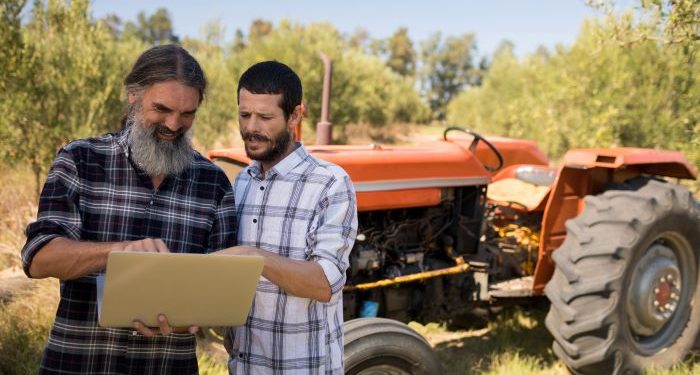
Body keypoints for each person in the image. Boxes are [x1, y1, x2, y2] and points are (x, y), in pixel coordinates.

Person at [21, 44, 237, 374]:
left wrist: (188, 320)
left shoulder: (214, 183)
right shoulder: (79, 160)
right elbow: (39, 259)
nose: (174, 124)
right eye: (162, 109)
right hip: (78, 364)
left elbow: (221, 290)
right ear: (133, 96)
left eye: (187, 114)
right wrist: (122, 253)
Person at [218, 61, 358, 374]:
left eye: (265, 117)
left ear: (295, 115)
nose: (251, 127)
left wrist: (252, 257)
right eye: (244, 115)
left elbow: (325, 284)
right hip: (243, 366)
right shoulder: (241, 181)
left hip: (302, 367)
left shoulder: (331, 183)